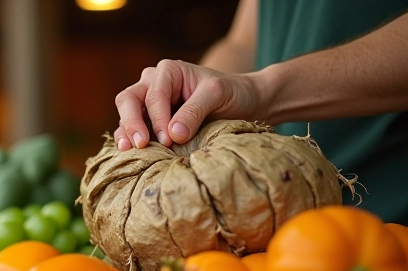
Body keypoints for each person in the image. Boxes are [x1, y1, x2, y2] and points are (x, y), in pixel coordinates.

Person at [113, 0, 408, 224]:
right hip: (281, 211)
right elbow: (243, 42)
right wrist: (197, 99)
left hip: (388, 217)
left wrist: (263, 91)